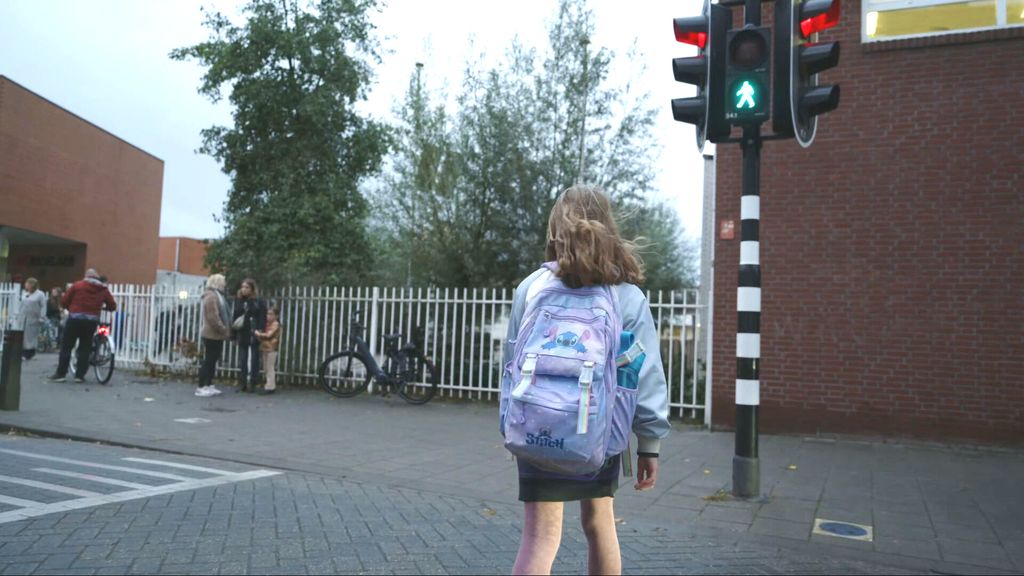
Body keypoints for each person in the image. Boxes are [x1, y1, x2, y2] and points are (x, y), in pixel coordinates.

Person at [504, 186, 670, 575]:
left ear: (554, 230)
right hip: (598, 430)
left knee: (539, 537)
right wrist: (649, 444)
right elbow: (644, 376)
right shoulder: (626, 296)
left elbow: (510, 365)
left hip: (537, 426)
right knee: (599, 524)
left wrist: (511, 422)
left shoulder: (531, 288)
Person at [48, 269, 117, 383]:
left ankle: (61, 374)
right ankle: (79, 376)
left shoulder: (77, 285)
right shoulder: (103, 289)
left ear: (86, 276)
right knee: (85, 347)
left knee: (67, 346)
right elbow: (112, 305)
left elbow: (64, 301)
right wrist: (105, 307)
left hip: (75, 319)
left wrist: (69, 307)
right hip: (91, 321)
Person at [197, 273, 231, 397]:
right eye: (223, 282)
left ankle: (209, 384)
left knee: (212, 360)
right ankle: (201, 386)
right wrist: (223, 329)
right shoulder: (212, 296)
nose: (224, 285)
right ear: (218, 283)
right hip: (211, 334)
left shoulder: (216, 296)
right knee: (209, 360)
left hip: (215, 334)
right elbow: (213, 317)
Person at [232, 278, 267, 393]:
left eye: (247, 287)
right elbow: (235, 317)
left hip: (254, 332)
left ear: (252, 289)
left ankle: (253, 382)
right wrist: (233, 335)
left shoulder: (258, 301)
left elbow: (262, 316)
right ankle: (243, 382)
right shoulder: (239, 300)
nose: (244, 289)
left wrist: (260, 330)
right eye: (242, 287)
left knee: (254, 358)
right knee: (243, 358)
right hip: (243, 332)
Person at [15, 278, 47, 360]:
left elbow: (43, 306)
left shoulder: (40, 294)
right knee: (23, 336)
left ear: (31, 284)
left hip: (33, 318)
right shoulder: (25, 293)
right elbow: (21, 305)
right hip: (23, 318)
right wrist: (18, 315)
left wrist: (42, 317)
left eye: (27, 283)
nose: (25, 285)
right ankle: (23, 352)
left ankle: (29, 353)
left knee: (31, 337)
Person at [254, 306, 281, 395]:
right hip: (265, 347)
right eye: (268, 314)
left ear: (276, 316)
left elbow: (269, 335)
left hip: (272, 348)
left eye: (271, 314)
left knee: (270, 367)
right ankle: (269, 384)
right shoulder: (268, 324)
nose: (268, 316)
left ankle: (270, 386)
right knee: (266, 368)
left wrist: (259, 334)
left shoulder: (275, 324)